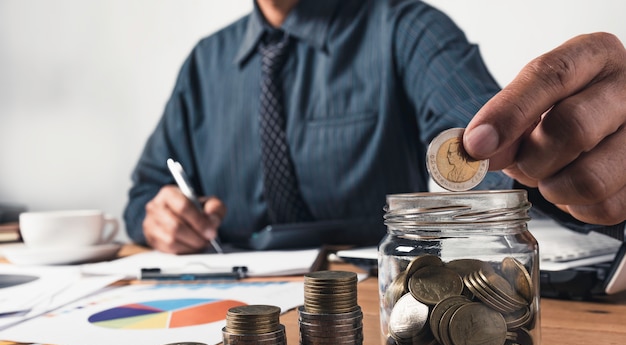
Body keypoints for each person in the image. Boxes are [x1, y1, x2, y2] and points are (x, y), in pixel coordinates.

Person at [124, 0, 626, 254]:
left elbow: (500, 153)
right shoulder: (203, 63)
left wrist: (571, 166)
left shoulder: (406, 30)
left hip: (377, 310)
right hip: (226, 318)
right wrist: (157, 218)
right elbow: (146, 190)